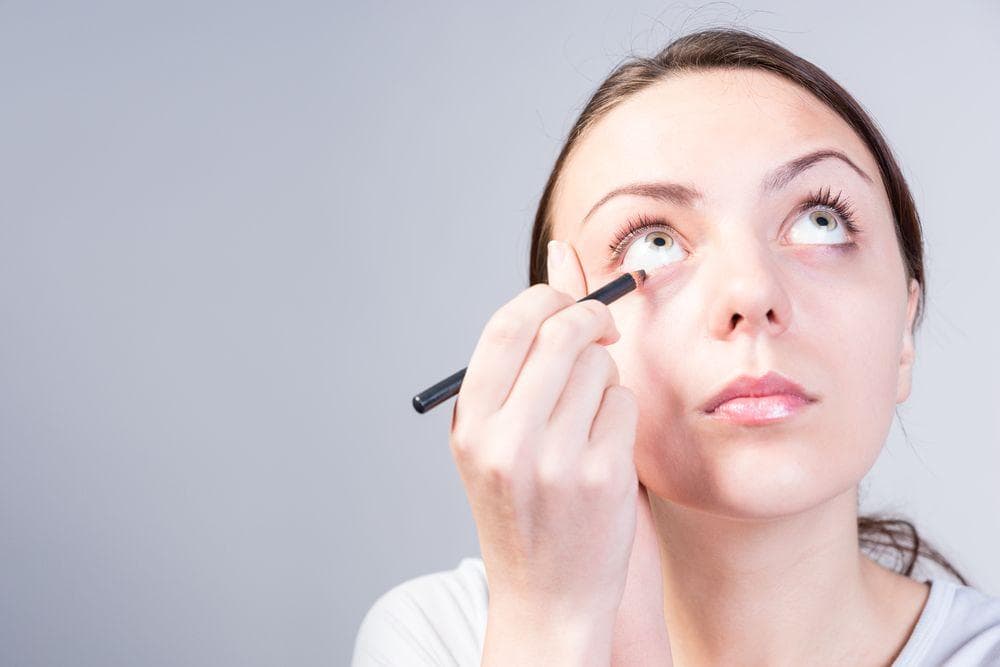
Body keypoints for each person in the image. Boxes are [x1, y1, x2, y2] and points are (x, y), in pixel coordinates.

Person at [352, 27, 1000, 666]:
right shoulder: (438, 637)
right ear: (563, 345)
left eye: (820, 221)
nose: (751, 292)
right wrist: (555, 622)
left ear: (904, 333)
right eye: (654, 242)